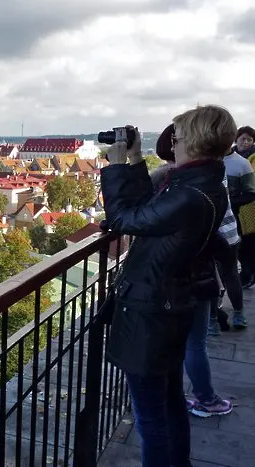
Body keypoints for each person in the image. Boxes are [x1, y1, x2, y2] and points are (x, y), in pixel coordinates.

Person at [101, 105, 236, 467]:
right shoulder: (198, 183)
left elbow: (124, 219)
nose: (171, 146)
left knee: (150, 418)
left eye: (176, 139)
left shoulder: (189, 194)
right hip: (168, 308)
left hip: (151, 314)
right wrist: (134, 162)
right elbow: (150, 212)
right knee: (170, 401)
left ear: (193, 141)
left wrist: (114, 167)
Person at [152, 124, 234, 418]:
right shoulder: (205, 183)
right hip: (197, 276)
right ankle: (205, 398)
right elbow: (226, 233)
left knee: (175, 342)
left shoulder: (162, 182)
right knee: (194, 342)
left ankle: (179, 396)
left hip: (165, 278)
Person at [223, 126, 255, 297]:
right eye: (243, 138)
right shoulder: (221, 159)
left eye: (250, 139)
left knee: (246, 244)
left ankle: (247, 274)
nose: (246, 142)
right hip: (227, 212)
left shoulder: (246, 161)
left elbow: (251, 191)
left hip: (245, 211)